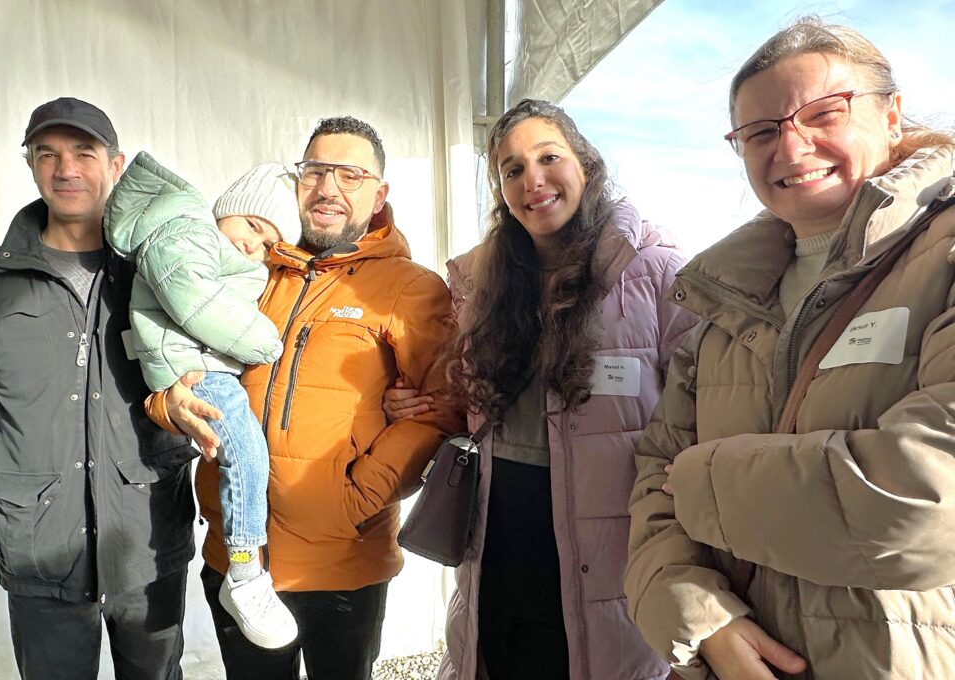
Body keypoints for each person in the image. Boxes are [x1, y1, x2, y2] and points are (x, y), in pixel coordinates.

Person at [625, 17, 955, 680]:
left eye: (823, 113)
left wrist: (702, 482)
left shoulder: (942, 257)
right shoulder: (723, 299)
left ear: (891, 115)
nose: (792, 145)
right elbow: (652, 485)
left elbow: (932, 498)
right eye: (761, 132)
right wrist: (700, 617)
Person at [386, 98, 695, 680]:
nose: (533, 180)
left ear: (586, 163)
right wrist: (406, 402)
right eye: (513, 169)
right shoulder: (482, 281)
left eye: (548, 158)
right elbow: (463, 398)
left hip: (607, 537)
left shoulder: (655, 271)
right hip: (499, 529)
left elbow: (704, 402)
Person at [146, 116, 463, 680]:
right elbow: (171, 352)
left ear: (379, 194)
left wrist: (352, 502)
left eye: (350, 175)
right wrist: (164, 407)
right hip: (237, 559)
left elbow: (439, 410)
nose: (328, 188)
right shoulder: (250, 268)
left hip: (343, 565)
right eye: (315, 171)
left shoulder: (408, 287)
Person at [0, 98, 196, 679]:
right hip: (40, 538)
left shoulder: (158, 271)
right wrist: (35, 461)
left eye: (84, 152)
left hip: (146, 528)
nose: (66, 169)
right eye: (48, 154)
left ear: (116, 164)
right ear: (30, 164)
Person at [104, 153, 303, 649]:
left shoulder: (201, 241)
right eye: (252, 225)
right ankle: (245, 573)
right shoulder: (186, 230)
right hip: (197, 367)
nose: (253, 245)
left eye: (268, 244)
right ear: (226, 207)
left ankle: (246, 571)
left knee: (244, 455)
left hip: (198, 363)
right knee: (247, 454)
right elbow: (197, 302)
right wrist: (266, 343)